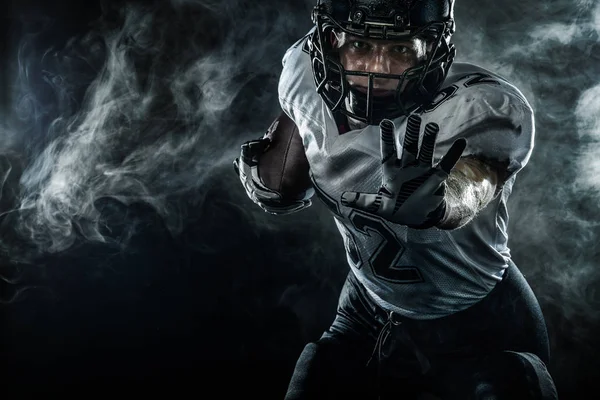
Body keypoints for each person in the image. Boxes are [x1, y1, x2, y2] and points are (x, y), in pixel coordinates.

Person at [234, 1, 558, 399]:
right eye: (360, 45)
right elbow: (300, 123)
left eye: (401, 49)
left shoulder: (477, 106)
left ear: (434, 46)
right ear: (330, 41)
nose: (377, 69)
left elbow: (477, 180)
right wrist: (279, 172)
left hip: (475, 318)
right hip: (364, 307)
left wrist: (441, 203)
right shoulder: (304, 69)